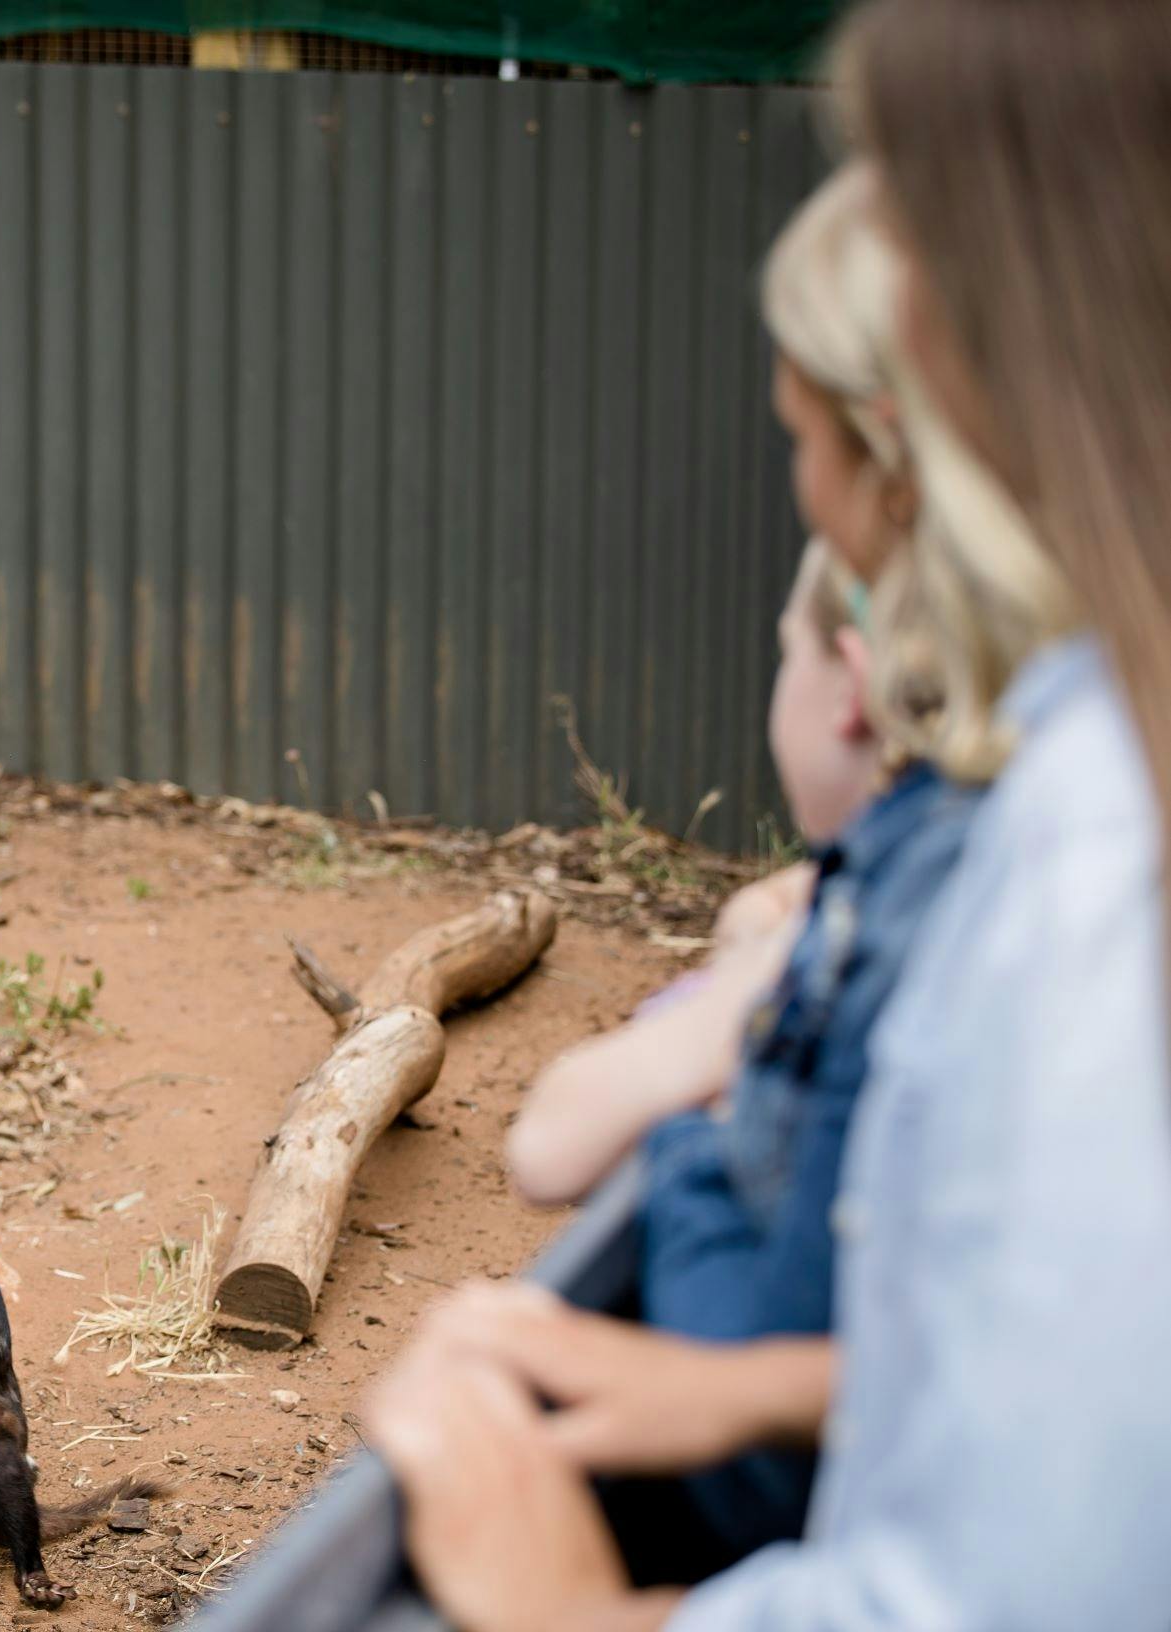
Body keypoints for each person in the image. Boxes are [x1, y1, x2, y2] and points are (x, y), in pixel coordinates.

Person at [366, 0, 1171, 1619]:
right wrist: (800, 1386)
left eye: (903, 195)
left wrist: (572, 1616)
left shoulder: (1085, 846)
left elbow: (1027, 1586)